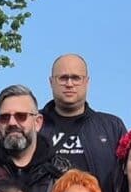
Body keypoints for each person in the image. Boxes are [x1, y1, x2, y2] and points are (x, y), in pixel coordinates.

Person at [0, 84, 71, 192]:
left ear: (37, 122)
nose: (12, 123)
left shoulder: (63, 173)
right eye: (4, 117)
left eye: (21, 116)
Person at [39, 53, 126, 183]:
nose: (69, 84)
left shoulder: (112, 127)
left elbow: (127, 175)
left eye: (76, 78)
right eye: (63, 78)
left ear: (86, 82)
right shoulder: (32, 124)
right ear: (51, 82)